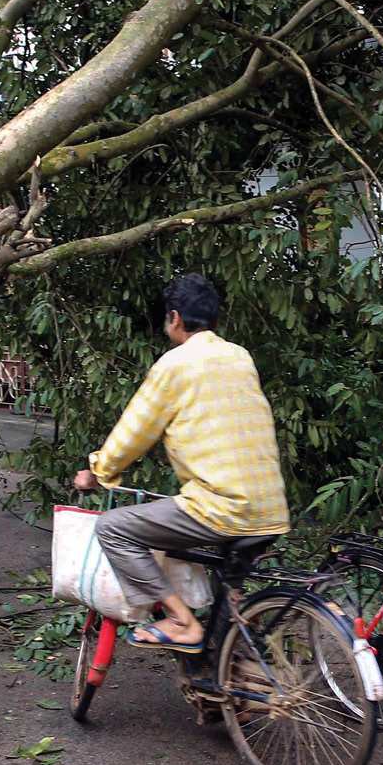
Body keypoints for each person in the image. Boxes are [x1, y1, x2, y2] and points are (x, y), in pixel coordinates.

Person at [73, 274, 289, 654]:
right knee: (227, 592)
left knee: (113, 529)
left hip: (221, 507)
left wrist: (98, 473)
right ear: (215, 320)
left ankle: (181, 621)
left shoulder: (175, 364)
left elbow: (133, 433)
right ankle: (227, 658)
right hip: (270, 507)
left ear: (175, 318)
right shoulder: (240, 356)